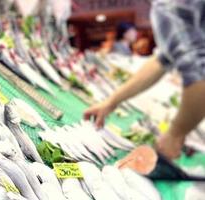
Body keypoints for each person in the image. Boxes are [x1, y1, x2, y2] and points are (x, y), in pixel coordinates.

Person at [84, 0, 205, 160]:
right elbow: (162, 60)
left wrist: (176, 133)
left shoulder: (168, 4)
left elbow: (199, 77)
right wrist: (112, 101)